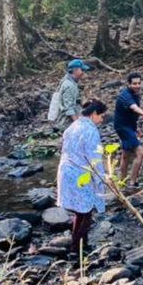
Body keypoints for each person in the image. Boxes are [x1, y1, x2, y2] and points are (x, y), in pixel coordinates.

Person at [56, 99, 108, 259]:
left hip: (67, 170)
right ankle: (75, 248)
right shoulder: (90, 131)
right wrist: (102, 178)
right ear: (93, 114)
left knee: (81, 211)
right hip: (80, 173)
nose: (102, 120)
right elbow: (94, 158)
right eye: (101, 116)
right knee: (85, 212)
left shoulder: (73, 127)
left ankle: (81, 244)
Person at [114, 73, 143, 187]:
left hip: (129, 126)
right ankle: (133, 182)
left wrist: (136, 128)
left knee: (126, 154)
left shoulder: (135, 94)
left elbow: (131, 113)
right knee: (140, 152)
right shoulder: (125, 95)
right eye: (134, 84)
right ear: (128, 84)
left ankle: (121, 182)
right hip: (122, 127)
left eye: (139, 83)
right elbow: (133, 107)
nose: (137, 86)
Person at [48, 59, 90, 130]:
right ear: (75, 70)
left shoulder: (70, 81)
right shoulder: (69, 85)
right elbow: (69, 108)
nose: (84, 72)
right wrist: (78, 124)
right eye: (82, 70)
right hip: (67, 124)